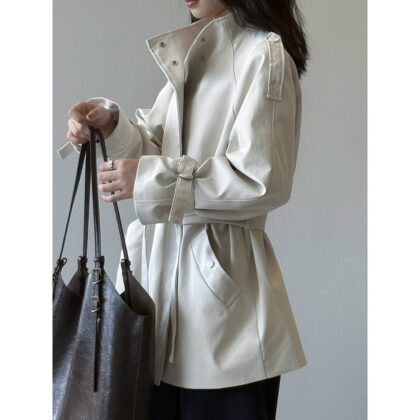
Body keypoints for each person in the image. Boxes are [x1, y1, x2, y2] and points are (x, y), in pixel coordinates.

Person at [58, 0, 309, 418]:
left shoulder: (263, 56)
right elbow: (159, 149)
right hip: (155, 311)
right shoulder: (194, 51)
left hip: (224, 324)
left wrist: (151, 179)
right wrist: (111, 128)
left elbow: (262, 180)